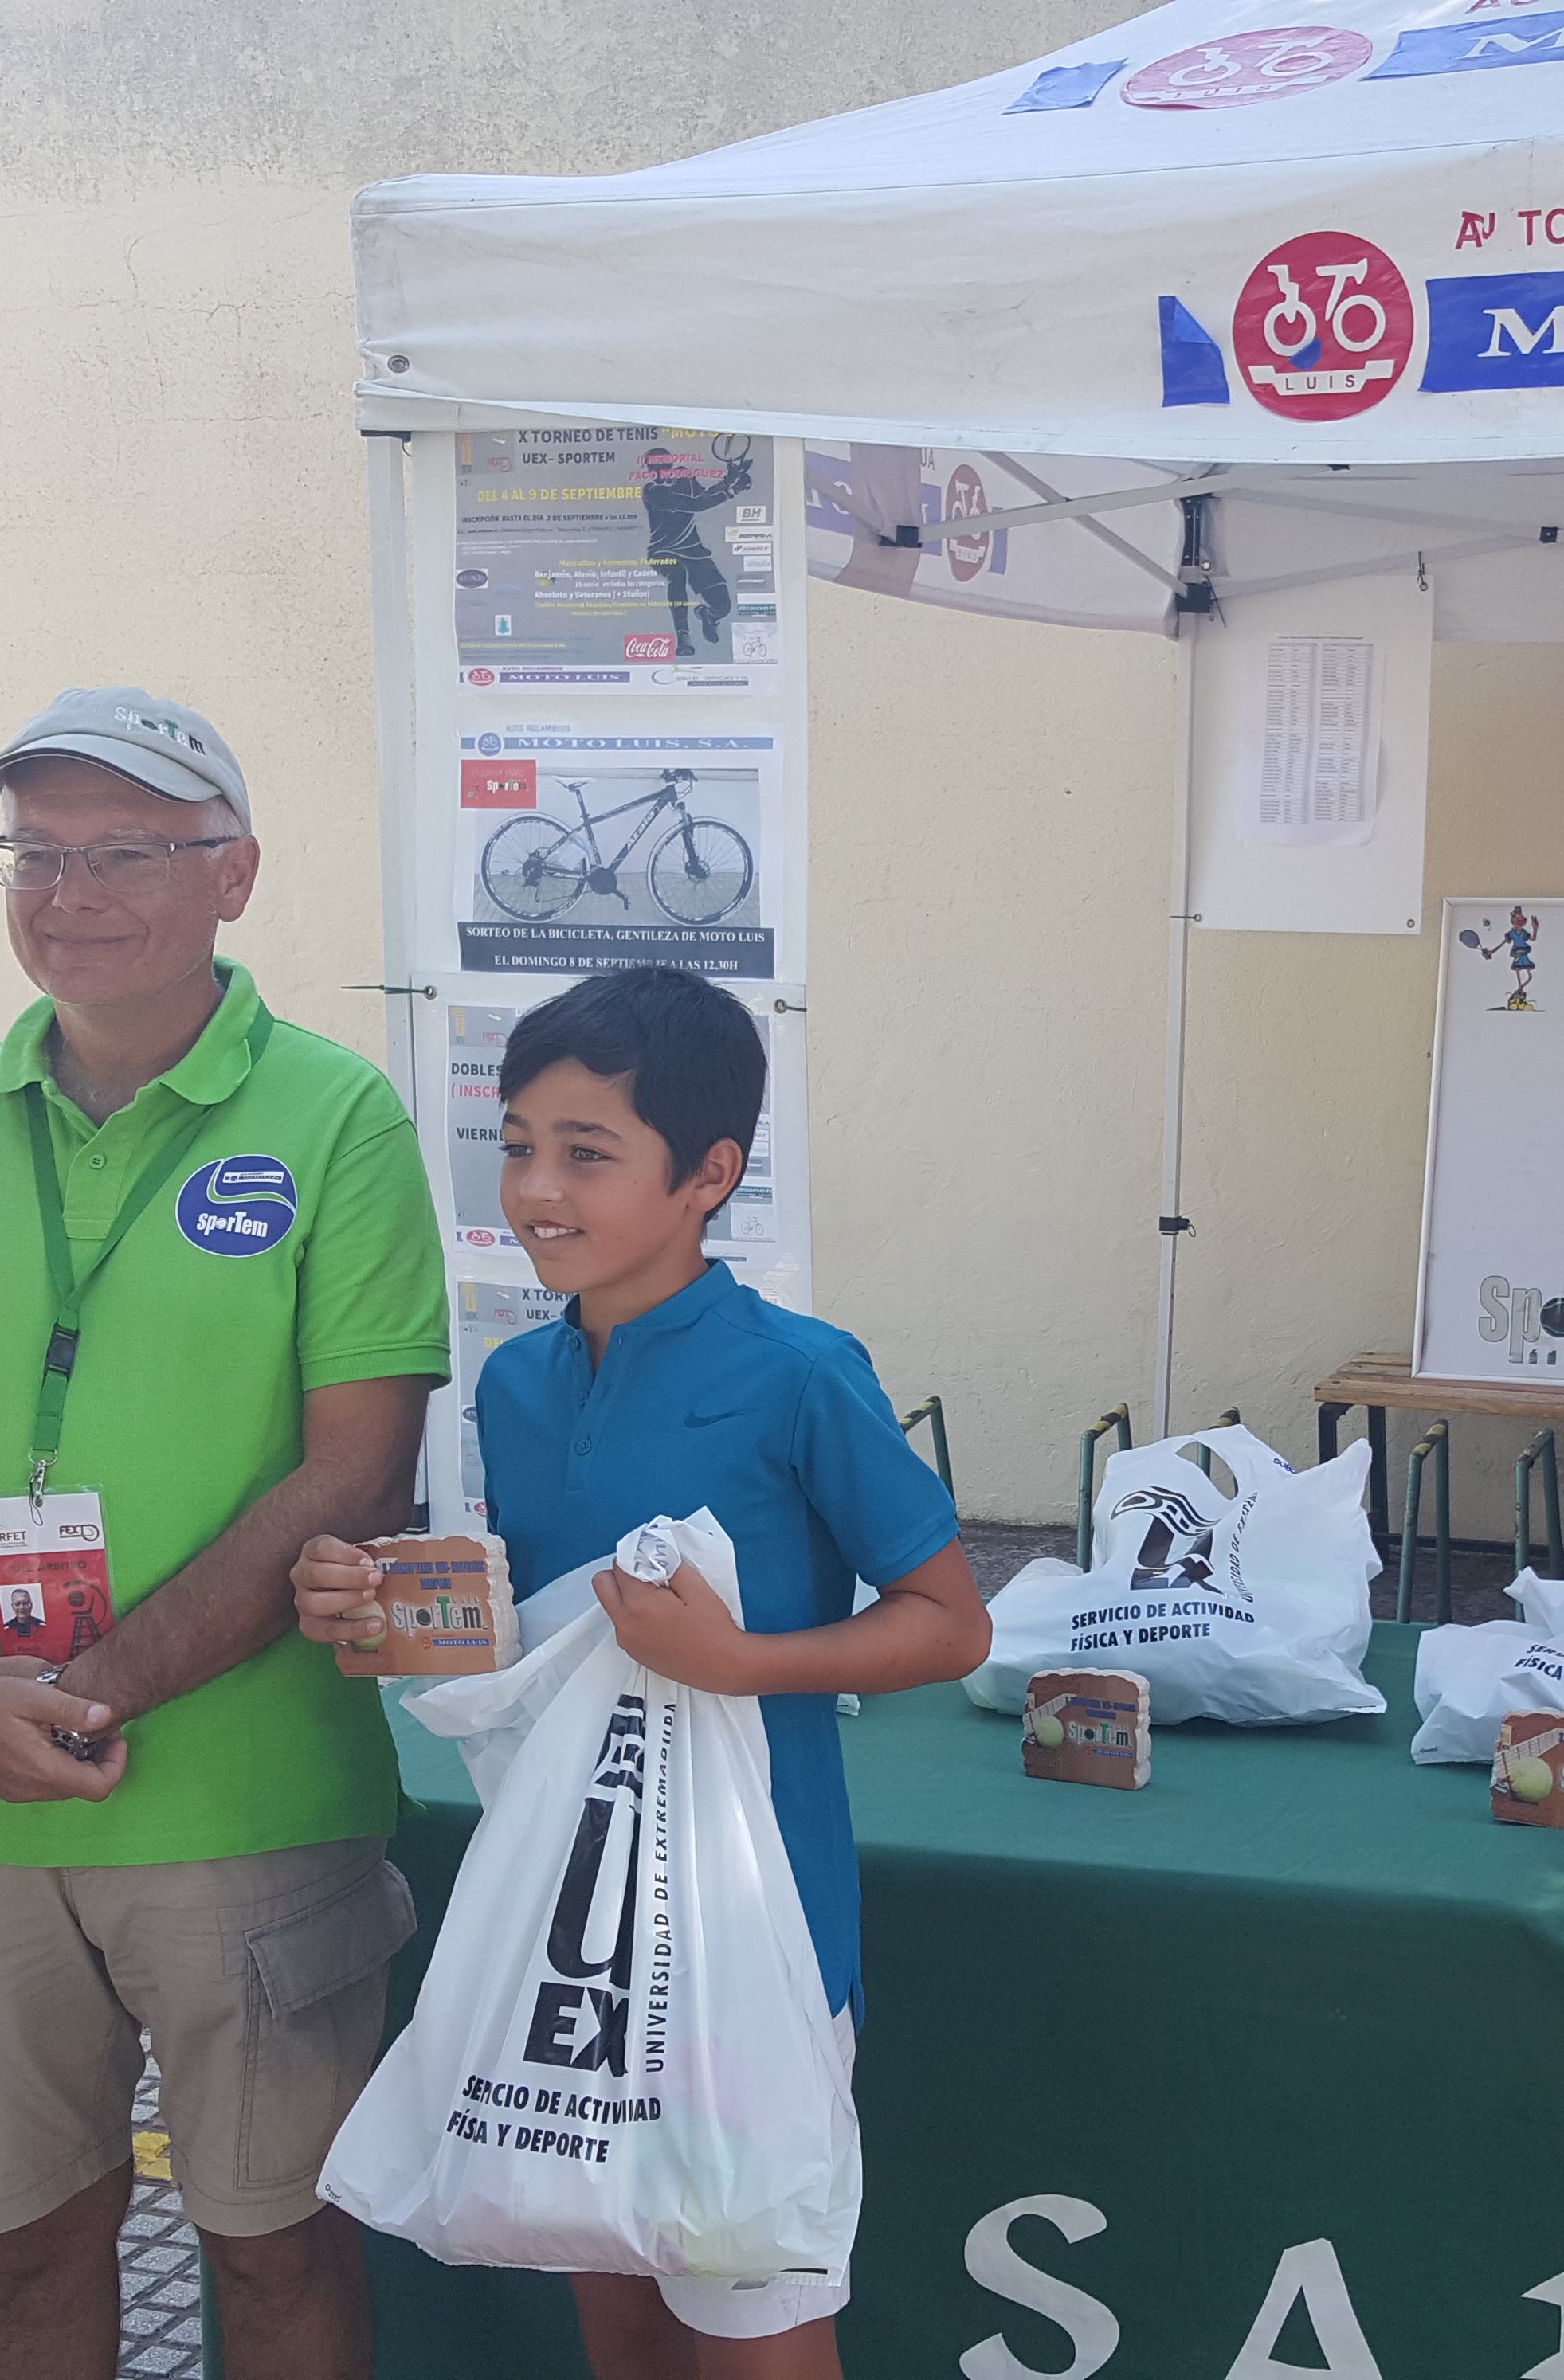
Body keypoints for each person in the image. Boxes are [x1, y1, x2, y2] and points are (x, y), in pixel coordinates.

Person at [0, 687, 448, 2380]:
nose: (69, 893)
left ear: (234, 874)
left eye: (127, 853)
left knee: (278, 2257)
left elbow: (359, 1474)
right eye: (36, 852)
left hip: (248, 1812)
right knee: (20, 2253)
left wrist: (87, 1690)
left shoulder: (337, 1121)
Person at [295, 965, 987, 2379]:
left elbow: (951, 1622)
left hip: (759, 1929)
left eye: (588, 1152)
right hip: (577, 1938)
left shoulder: (801, 1373)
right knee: (617, 2305)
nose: (538, 1189)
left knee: (755, 2330)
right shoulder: (517, 1384)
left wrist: (739, 1660)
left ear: (709, 1174)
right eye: (518, 1146)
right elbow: (553, 1643)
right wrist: (382, 1608)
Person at [638, 444, 755, 656]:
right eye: (651, 467)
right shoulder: (652, 491)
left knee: (723, 607)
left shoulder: (684, 477)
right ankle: (683, 636)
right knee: (677, 575)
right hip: (663, 551)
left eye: (660, 465)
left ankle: (707, 616)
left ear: (669, 464)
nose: (656, 472)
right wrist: (732, 489)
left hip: (694, 551)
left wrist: (729, 480)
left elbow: (704, 497)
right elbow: (695, 505)